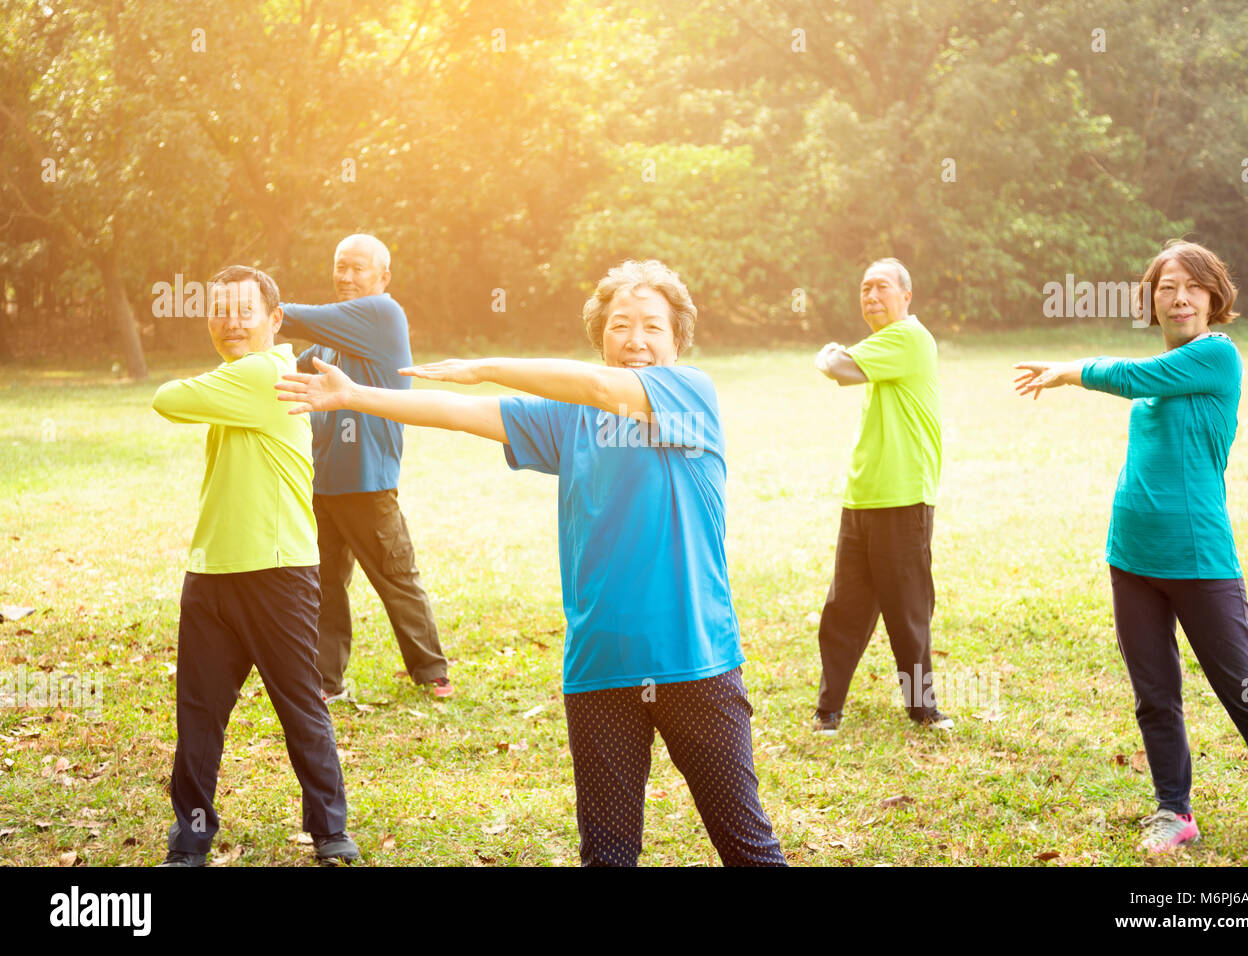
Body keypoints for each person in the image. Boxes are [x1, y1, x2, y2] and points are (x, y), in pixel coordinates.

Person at [277, 259, 786, 867]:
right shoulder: (572, 419)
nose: (636, 340)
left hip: (695, 663)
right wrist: (356, 394)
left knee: (749, 850)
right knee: (607, 857)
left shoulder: (688, 398)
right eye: (620, 325)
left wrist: (485, 366)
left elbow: (598, 386)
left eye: (653, 326)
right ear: (600, 337)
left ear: (678, 339)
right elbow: (471, 416)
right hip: (599, 669)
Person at [1013, 239, 1248, 852]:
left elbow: (1131, 374)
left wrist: (1070, 369)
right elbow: (1144, 389)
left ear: (1213, 296)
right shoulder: (1164, 372)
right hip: (1132, 557)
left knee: (1242, 688)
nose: (1179, 297)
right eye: (1167, 287)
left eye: (1192, 286)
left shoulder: (1217, 357)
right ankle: (1175, 811)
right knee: (1154, 695)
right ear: (1153, 300)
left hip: (1198, 559)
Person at [152, 265, 358, 866]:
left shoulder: (266, 373)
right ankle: (190, 838)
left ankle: (329, 832)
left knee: (300, 705)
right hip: (213, 570)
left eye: (245, 309)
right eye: (220, 309)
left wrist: (212, 377)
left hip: (277, 572)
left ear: (274, 320)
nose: (230, 320)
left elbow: (168, 398)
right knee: (198, 713)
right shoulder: (243, 376)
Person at [278, 234, 451, 703]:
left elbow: (292, 317)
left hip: (368, 483)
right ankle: (326, 682)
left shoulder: (382, 314)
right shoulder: (330, 341)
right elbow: (286, 374)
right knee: (324, 586)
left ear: (382, 277)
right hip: (323, 484)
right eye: (340, 266)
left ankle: (433, 673)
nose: (346, 276)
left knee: (395, 576)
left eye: (357, 268)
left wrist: (256, 303)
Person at [811, 258, 950, 734]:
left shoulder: (909, 337)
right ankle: (828, 710)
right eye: (864, 288)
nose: (871, 296)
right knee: (844, 608)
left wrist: (828, 351)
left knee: (907, 609)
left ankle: (923, 709)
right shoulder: (882, 345)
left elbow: (838, 368)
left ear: (906, 295)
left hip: (903, 496)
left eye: (882, 287)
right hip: (862, 496)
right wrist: (835, 355)